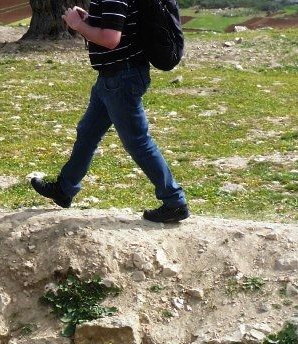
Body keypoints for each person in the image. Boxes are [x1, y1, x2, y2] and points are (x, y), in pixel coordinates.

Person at [30, 0, 190, 224]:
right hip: (112, 77)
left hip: (121, 77)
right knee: (88, 132)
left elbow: (110, 39)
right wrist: (90, 20)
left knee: (138, 142)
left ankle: (174, 201)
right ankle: (64, 189)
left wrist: (78, 25)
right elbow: (118, 27)